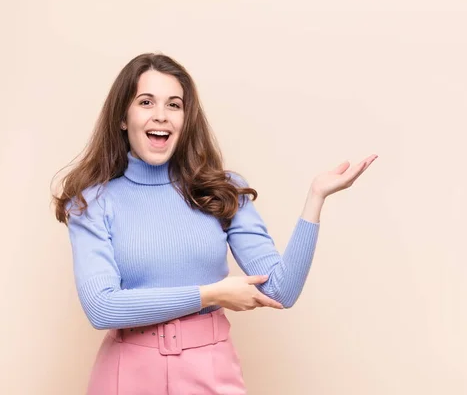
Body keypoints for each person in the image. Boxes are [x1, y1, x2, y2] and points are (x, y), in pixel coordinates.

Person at [52, 52, 377, 395]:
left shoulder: (222, 191)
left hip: (210, 369)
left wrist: (315, 198)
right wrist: (209, 294)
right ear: (123, 116)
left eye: (174, 105)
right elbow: (102, 308)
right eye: (146, 102)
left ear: (186, 117)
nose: (160, 115)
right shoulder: (92, 203)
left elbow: (282, 290)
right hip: (127, 373)